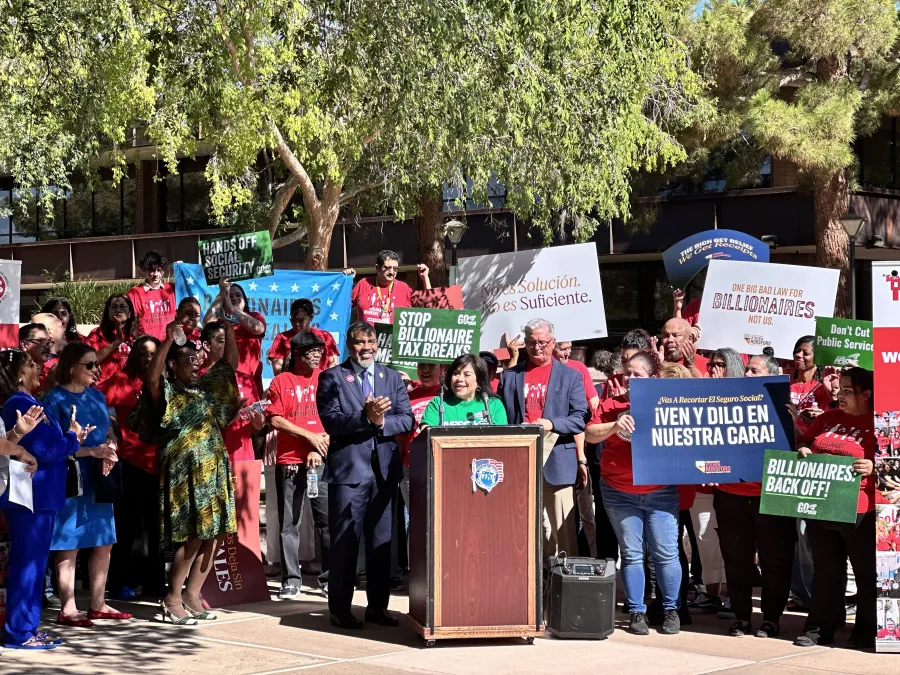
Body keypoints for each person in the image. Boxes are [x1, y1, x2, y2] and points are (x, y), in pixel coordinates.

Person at [134, 319, 241, 625]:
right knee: (191, 537)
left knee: (215, 534)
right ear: (173, 365)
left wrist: (230, 331)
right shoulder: (167, 391)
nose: (196, 364)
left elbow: (228, 367)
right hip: (184, 474)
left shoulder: (206, 388)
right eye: (189, 360)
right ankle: (172, 597)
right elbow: (151, 379)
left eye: (198, 359)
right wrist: (168, 340)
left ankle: (193, 594)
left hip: (214, 471)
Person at [316, 321, 414, 628]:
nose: (367, 347)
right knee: (345, 543)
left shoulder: (390, 377)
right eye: (360, 342)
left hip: (384, 473)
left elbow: (407, 418)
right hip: (349, 473)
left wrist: (382, 423)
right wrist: (366, 417)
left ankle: (377, 608)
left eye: (371, 342)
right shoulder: (331, 377)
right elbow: (332, 421)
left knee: (381, 543)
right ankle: (340, 610)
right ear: (349, 344)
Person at [585, 350, 681, 636]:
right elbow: (590, 433)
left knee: (666, 553)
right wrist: (615, 425)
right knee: (631, 553)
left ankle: (671, 609)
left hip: (659, 490)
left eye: (638, 375)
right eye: (628, 372)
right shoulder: (611, 400)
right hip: (618, 490)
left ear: (654, 378)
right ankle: (637, 611)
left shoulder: (668, 402)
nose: (630, 378)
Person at [43, 342, 128, 627]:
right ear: (71, 367)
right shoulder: (54, 400)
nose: (96, 369)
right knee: (69, 544)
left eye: (96, 364)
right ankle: (68, 608)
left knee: (104, 542)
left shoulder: (97, 397)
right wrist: (93, 452)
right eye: (89, 365)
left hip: (100, 477)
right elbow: (52, 446)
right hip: (70, 477)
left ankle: (98, 604)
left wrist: (110, 448)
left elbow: (109, 431)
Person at [713, 353, 795, 638]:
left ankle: (771, 618)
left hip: (771, 494)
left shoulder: (784, 402)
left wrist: (795, 418)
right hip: (730, 494)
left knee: (775, 560)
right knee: (736, 559)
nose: (747, 374)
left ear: (771, 375)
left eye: (754, 370)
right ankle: (741, 618)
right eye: (746, 370)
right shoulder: (726, 399)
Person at [794, 367, 877, 649]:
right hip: (823, 505)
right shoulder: (828, 419)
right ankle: (819, 628)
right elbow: (805, 440)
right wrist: (804, 449)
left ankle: (866, 630)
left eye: (848, 391)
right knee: (826, 570)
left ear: (866, 394)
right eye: (839, 390)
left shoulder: (880, 423)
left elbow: (894, 461)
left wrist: (874, 467)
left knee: (866, 573)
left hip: (861, 510)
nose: (840, 395)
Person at [0, 350, 76, 650]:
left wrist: (67, 439)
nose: (38, 367)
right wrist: (72, 438)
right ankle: (20, 632)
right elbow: (47, 448)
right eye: (31, 364)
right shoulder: (18, 403)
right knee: (28, 564)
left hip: (41, 496)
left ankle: (28, 628)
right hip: (30, 496)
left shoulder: (31, 402)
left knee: (34, 563)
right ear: (18, 374)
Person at [498, 319, 588, 565]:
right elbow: (500, 417)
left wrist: (552, 423)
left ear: (553, 342)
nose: (537, 347)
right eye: (531, 342)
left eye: (542, 342)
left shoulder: (570, 376)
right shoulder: (509, 376)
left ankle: (568, 589)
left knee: (565, 535)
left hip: (557, 463)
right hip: (519, 465)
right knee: (524, 531)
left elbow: (580, 418)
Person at [265, 331, 331, 600]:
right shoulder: (282, 380)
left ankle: (329, 578)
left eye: (320, 350)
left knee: (326, 520)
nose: (318, 355)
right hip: (290, 460)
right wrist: (309, 437)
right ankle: (291, 579)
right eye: (312, 350)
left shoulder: (327, 378)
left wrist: (320, 443)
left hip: (321, 460)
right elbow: (274, 419)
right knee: (288, 523)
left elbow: (338, 415)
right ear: (298, 353)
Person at [99, 336, 164, 600]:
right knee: (128, 527)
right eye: (143, 354)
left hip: (159, 462)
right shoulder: (122, 380)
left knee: (155, 528)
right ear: (135, 356)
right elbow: (94, 397)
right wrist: (110, 425)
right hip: (131, 461)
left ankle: (154, 582)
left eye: (153, 354)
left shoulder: (163, 382)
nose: (148, 359)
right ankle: (119, 582)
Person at [420, 354, 507, 428]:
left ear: (479, 381)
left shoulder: (493, 405)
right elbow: (427, 435)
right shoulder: (438, 403)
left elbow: (501, 440)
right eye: (456, 373)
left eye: (467, 375)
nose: (459, 379)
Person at [345, 250, 430, 324]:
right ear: (377, 268)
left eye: (395, 268)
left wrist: (425, 277)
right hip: (367, 341)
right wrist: (346, 281)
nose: (392, 272)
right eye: (388, 268)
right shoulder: (364, 283)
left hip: (392, 341)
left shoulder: (403, 288)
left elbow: (429, 303)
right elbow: (342, 304)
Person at [401, 363, 443, 510]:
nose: (425, 369)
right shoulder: (406, 397)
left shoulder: (449, 396)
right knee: (415, 519)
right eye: (421, 366)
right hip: (411, 468)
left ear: (442, 369)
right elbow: (401, 436)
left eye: (431, 365)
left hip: (441, 467)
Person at [268, 299, 340, 375]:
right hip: (292, 384)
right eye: (293, 320)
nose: (297, 324)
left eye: (301, 320)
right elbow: (277, 369)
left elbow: (333, 364)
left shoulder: (325, 336)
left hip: (320, 383)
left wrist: (324, 382)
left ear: (311, 317)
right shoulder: (282, 338)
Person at [86, 294, 139, 387]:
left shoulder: (135, 334)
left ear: (130, 312)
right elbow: (87, 361)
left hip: (130, 389)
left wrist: (137, 339)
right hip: (103, 389)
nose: (118, 310)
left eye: (122, 307)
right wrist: (115, 344)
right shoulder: (97, 334)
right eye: (114, 307)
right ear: (108, 312)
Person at [788, 336, 837, 434]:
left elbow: (832, 420)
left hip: (810, 442)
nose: (798, 355)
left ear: (818, 358)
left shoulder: (824, 388)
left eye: (806, 353)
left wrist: (821, 416)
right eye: (797, 351)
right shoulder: (785, 385)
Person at [128, 250, 176, 340]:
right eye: (152, 270)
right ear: (145, 270)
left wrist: (181, 268)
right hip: (147, 343)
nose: (156, 274)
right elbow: (131, 321)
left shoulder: (171, 289)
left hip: (169, 342)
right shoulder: (135, 292)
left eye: (159, 270)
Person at [553, 341, 599, 410]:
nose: (568, 353)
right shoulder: (545, 369)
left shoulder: (579, 367)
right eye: (563, 349)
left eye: (569, 348)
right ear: (552, 348)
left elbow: (593, 400)